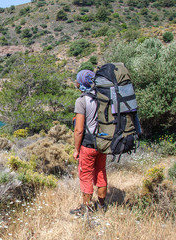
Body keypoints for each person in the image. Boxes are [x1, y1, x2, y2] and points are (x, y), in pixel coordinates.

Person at [70, 70, 107, 215]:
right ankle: (102, 206)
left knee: (85, 175)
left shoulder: (82, 100)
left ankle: (87, 209)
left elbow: (79, 130)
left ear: (81, 83)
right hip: (103, 142)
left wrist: (76, 149)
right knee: (101, 172)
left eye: (77, 80)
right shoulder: (102, 97)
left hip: (88, 144)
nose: (76, 83)